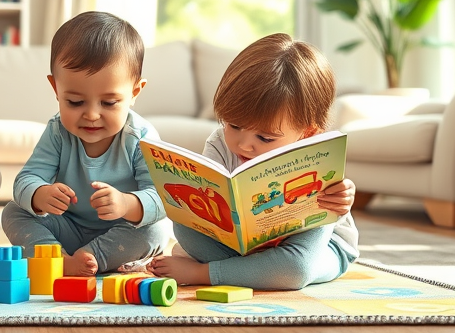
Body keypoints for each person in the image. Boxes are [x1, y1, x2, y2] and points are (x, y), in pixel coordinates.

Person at [147, 32, 358, 290]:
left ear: (307, 132)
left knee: (297, 270)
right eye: (233, 125)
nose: (244, 145)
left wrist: (342, 196)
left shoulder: (318, 153)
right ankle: (256, 270)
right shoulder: (219, 143)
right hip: (238, 244)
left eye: (265, 138)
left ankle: (209, 272)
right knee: (184, 225)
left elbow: (333, 205)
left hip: (314, 246)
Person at [2, 11, 168, 276]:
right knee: (13, 212)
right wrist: (40, 194)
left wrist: (126, 204)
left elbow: (162, 197)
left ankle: (92, 257)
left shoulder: (140, 137)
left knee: (156, 230)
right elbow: (26, 179)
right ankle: (56, 258)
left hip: (121, 232)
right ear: (56, 89)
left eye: (109, 103)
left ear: (134, 92)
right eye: (75, 102)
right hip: (66, 228)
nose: (91, 115)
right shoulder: (58, 131)